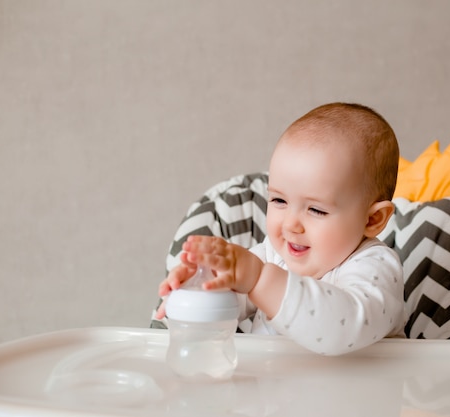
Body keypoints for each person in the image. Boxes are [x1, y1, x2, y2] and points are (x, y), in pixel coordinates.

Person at [156, 102, 405, 355]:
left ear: (372, 219)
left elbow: (343, 328)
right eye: (279, 201)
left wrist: (259, 278)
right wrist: (198, 286)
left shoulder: (375, 265)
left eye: (316, 210)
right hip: (272, 392)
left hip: (361, 393)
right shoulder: (274, 256)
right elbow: (232, 297)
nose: (290, 224)